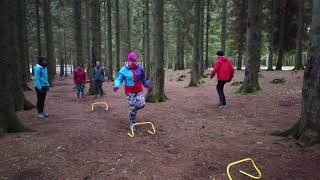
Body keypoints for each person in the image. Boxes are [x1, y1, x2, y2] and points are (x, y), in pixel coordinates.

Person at [113, 52, 152, 130]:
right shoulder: (124, 70)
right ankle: (132, 123)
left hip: (139, 90)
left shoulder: (139, 68)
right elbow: (118, 79)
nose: (134, 62)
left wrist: (147, 85)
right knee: (132, 106)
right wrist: (117, 85)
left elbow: (143, 78)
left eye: (135, 61)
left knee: (142, 104)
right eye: (132, 61)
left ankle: (132, 110)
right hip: (130, 92)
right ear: (128, 61)